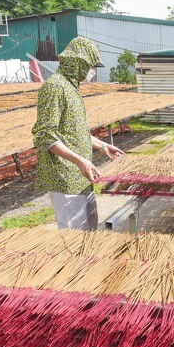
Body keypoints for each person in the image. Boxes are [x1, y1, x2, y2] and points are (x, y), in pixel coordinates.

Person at [32, 36, 124, 230]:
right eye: (91, 66)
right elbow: (45, 135)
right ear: (79, 62)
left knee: (89, 231)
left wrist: (103, 146)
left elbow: (75, 132)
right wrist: (79, 160)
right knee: (74, 237)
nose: (91, 72)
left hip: (82, 175)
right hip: (66, 177)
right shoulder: (55, 87)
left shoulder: (71, 88)